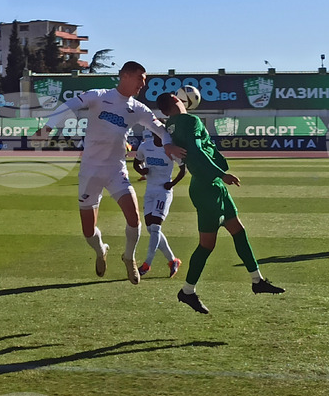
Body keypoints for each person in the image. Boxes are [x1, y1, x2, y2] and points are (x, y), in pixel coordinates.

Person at [34, 61, 185, 285]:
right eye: (140, 78)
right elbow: (69, 105)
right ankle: (100, 249)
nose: (143, 84)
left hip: (116, 170)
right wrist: (48, 126)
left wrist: (168, 144)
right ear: (125, 75)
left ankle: (129, 258)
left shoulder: (138, 108)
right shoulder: (98, 96)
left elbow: (160, 129)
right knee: (88, 231)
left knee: (134, 219)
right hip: (90, 171)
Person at [157, 92, 284, 314]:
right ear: (177, 101)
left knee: (238, 230)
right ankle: (187, 291)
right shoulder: (190, 120)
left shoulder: (172, 125)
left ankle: (257, 280)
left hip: (210, 185)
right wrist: (221, 173)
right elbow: (196, 151)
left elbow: (189, 150)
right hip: (208, 187)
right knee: (207, 245)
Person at [132, 129, 186, 278]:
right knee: (151, 229)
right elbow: (136, 164)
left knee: (155, 227)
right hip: (150, 192)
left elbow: (183, 170)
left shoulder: (171, 149)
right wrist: (142, 171)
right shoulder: (145, 146)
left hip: (164, 191)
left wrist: (172, 183)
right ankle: (173, 260)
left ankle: (146, 264)